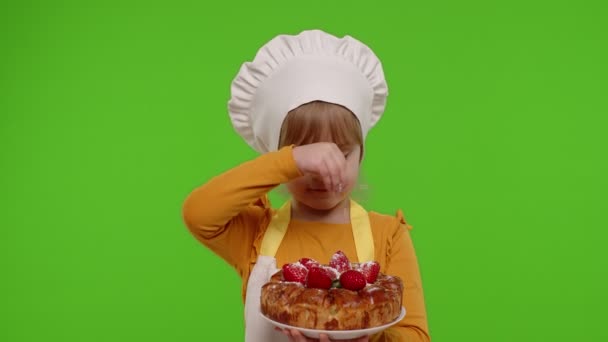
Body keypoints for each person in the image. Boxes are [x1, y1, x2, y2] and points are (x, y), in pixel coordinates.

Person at [182, 29, 430, 342]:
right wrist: (290, 162)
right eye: (309, 159)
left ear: (361, 154)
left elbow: (416, 336)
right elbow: (198, 212)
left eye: (339, 153)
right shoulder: (255, 233)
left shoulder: (387, 235)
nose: (323, 173)